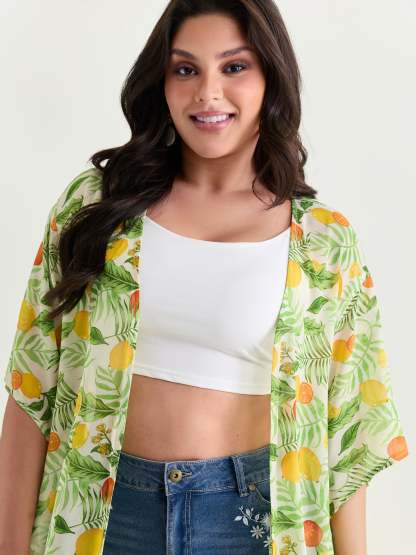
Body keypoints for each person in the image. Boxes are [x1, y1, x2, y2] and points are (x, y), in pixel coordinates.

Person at [0, 1, 409, 554]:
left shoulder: (323, 241)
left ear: (271, 78)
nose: (207, 93)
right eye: (186, 69)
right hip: (96, 511)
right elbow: (31, 391)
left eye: (234, 67)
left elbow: (349, 433)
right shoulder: (95, 207)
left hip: (250, 518)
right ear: (162, 82)